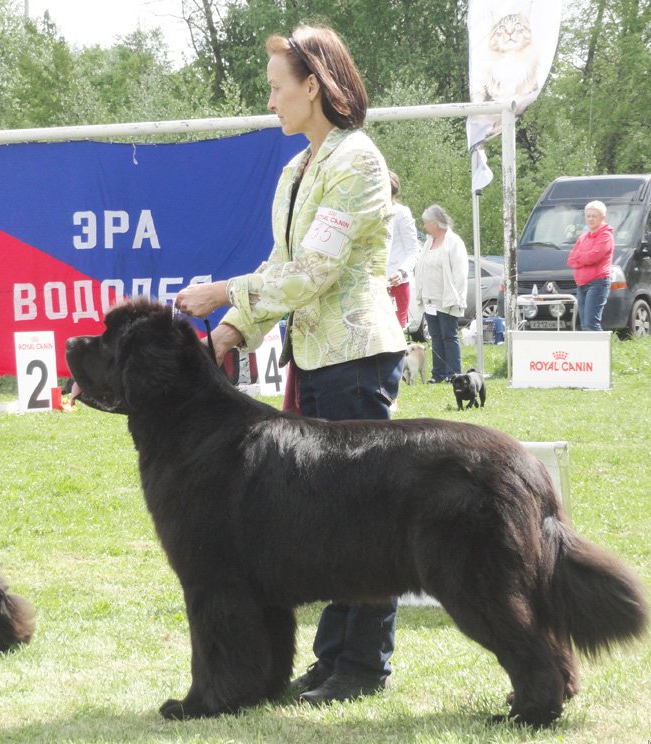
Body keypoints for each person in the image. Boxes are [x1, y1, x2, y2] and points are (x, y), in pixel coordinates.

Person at [174, 24, 406, 705]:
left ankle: (363, 667)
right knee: (327, 525)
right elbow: (283, 269)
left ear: (314, 86)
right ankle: (333, 657)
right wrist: (233, 331)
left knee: (367, 521)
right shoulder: (296, 169)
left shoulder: (358, 162)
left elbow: (315, 271)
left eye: (278, 88)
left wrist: (222, 293)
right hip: (314, 360)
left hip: (357, 360)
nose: (270, 101)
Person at [415, 204, 468, 383]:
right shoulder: (429, 242)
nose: (424, 226)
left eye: (426, 223)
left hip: (447, 299)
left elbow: (460, 273)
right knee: (435, 337)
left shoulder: (454, 242)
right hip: (430, 299)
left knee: (449, 336)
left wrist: (457, 297)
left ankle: (453, 374)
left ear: (435, 223)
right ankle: (438, 374)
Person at [567, 200, 614, 331]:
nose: (591, 219)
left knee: (591, 323)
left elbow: (593, 256)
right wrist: (583, 257)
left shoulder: (606, 236)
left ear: (602, 217)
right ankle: (589, 351)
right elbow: (571, 259)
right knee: (583, 325)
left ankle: (601, 351)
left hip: (598, 283)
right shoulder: (583, 237)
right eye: (588, 216)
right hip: (581, 283)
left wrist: (580, 257)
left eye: (594, 216)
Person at [386, 171, 419, 328]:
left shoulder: (401, 212)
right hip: (375, 283)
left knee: (396, 331)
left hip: (397, 282)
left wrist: (401, 272)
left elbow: (413, 250)